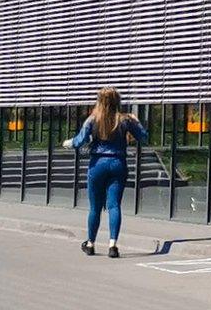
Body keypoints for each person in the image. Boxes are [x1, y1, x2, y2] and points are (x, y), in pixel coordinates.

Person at [62, 87, 150, 257]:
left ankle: (90, 243)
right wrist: (137, 122)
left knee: (95, 207)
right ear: (118, 101)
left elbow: (79, 141)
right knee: (114, 205)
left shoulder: (93, 119)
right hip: (118, 163)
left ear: (99, 102)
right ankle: (113, 245)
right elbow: (143, 137)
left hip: (97, 165)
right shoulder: (125, 120)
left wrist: (67, 143)